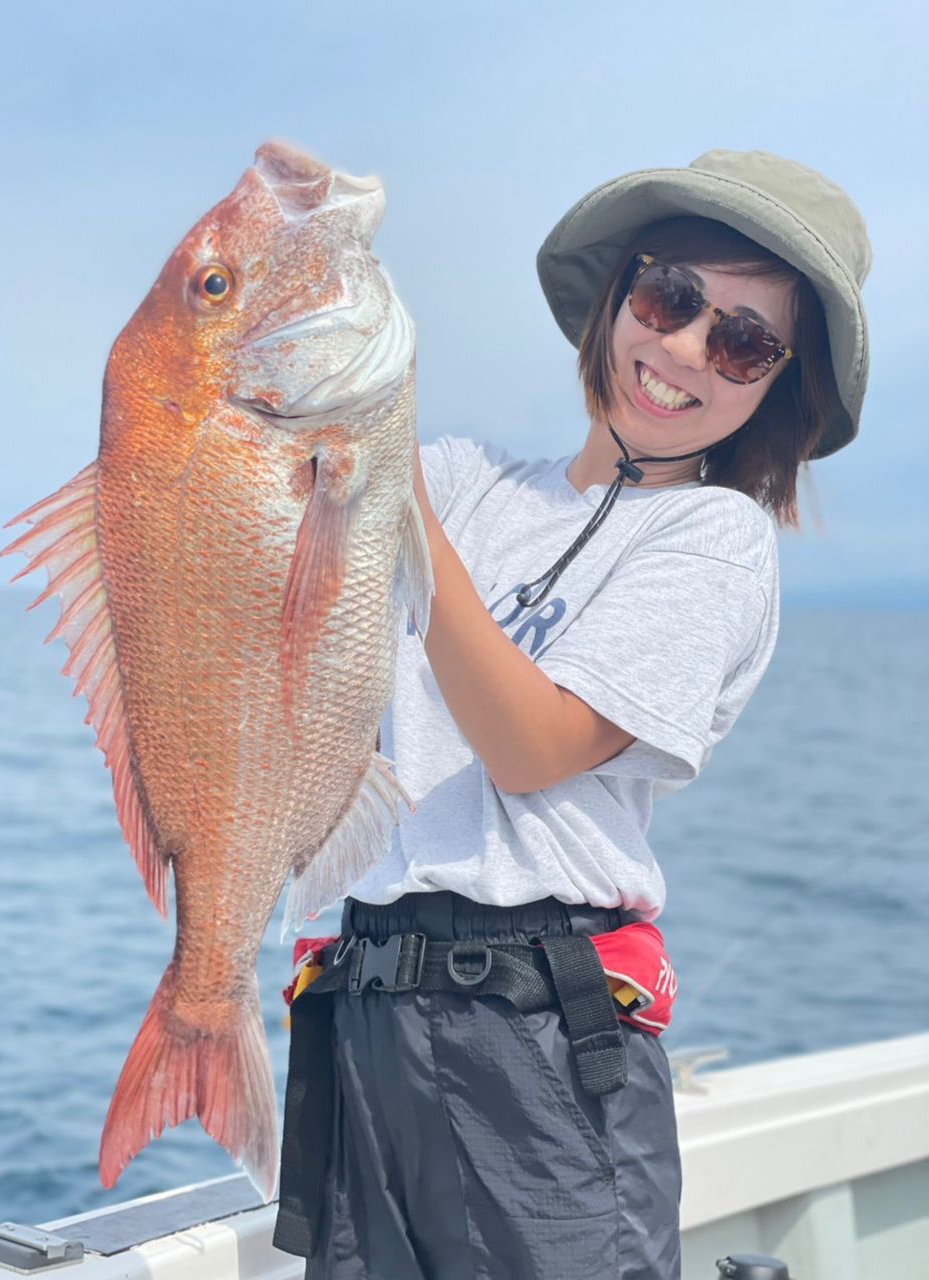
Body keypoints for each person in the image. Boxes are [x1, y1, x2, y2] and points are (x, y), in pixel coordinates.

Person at [272, 149, 872, 1279]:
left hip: (540, 1042)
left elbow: (528, 745)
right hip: (359, 1011)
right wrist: (294, 256)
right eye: (671, 298)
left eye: (742, 338)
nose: (685, 349)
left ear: (778, 386)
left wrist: (391, 498)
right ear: (618, 298)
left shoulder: (715, 539)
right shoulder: (461, 480)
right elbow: (283, 501)